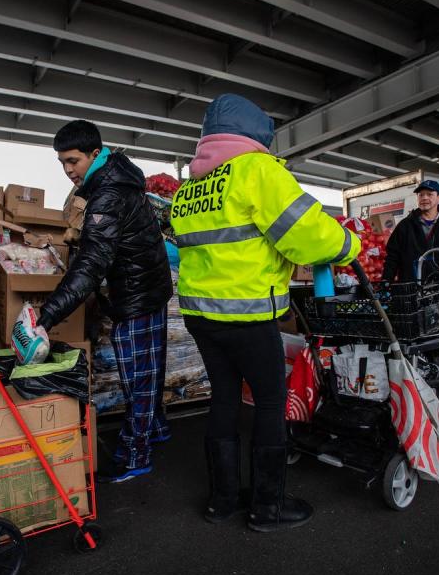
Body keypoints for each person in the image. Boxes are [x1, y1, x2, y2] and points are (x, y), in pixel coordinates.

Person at [171, 94, 361, 532]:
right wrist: (349, 247)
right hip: (249, 316)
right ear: (256, 136)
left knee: (222, 398)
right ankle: (267, 508)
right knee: (270, 403)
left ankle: (222, 502)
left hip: (201, 316)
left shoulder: (191, 188)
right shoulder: (258, 171)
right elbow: (307, 234)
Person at [36, 120, 173, 483]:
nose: (68, 170)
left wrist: (45, 317)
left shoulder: (108, 195)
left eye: (73, 161)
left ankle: (135, 456)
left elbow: (91, 265)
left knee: (139, 379)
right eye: (62, 163)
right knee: (149, 371)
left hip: (137, 297)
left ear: (95, 154)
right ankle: (155, 429)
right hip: (147, 289)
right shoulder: (117, 179)